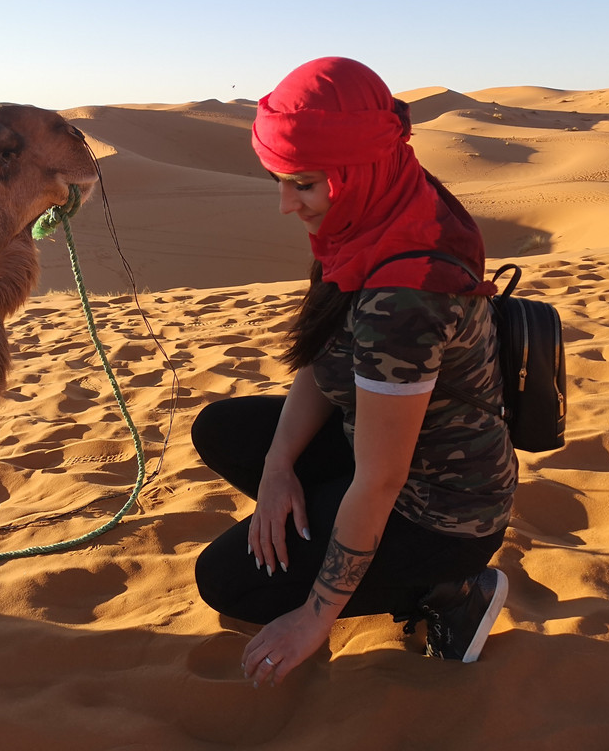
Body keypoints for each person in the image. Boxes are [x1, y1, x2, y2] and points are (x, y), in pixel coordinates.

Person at [192, 57, 517, 687]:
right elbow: (324, 357)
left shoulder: (405, 292)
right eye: (278, 181)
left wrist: (314, 617)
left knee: (225, 581)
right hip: (379, 446)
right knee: (223, 429)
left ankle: (448, 589)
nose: (287, 206)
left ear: (358, 170)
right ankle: (325, 521)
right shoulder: (372, 215)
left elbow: (380, 478)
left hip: (441, 510)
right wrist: (279, 467)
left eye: (305, 185)